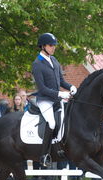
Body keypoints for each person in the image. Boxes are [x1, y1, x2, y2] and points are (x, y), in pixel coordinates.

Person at [32, 32, 77, 167]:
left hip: (57, 99)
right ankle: (44, 155)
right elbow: (43, 88)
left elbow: (61, 81)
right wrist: (60, 94)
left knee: (67, 120)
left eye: (54, 45)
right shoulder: (37, 64)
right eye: (51, 45)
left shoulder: (55, 60)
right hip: (45, 99)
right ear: (43, 46)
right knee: (51, 123)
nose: (53, 48)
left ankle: (61, 147)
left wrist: (71, 87)